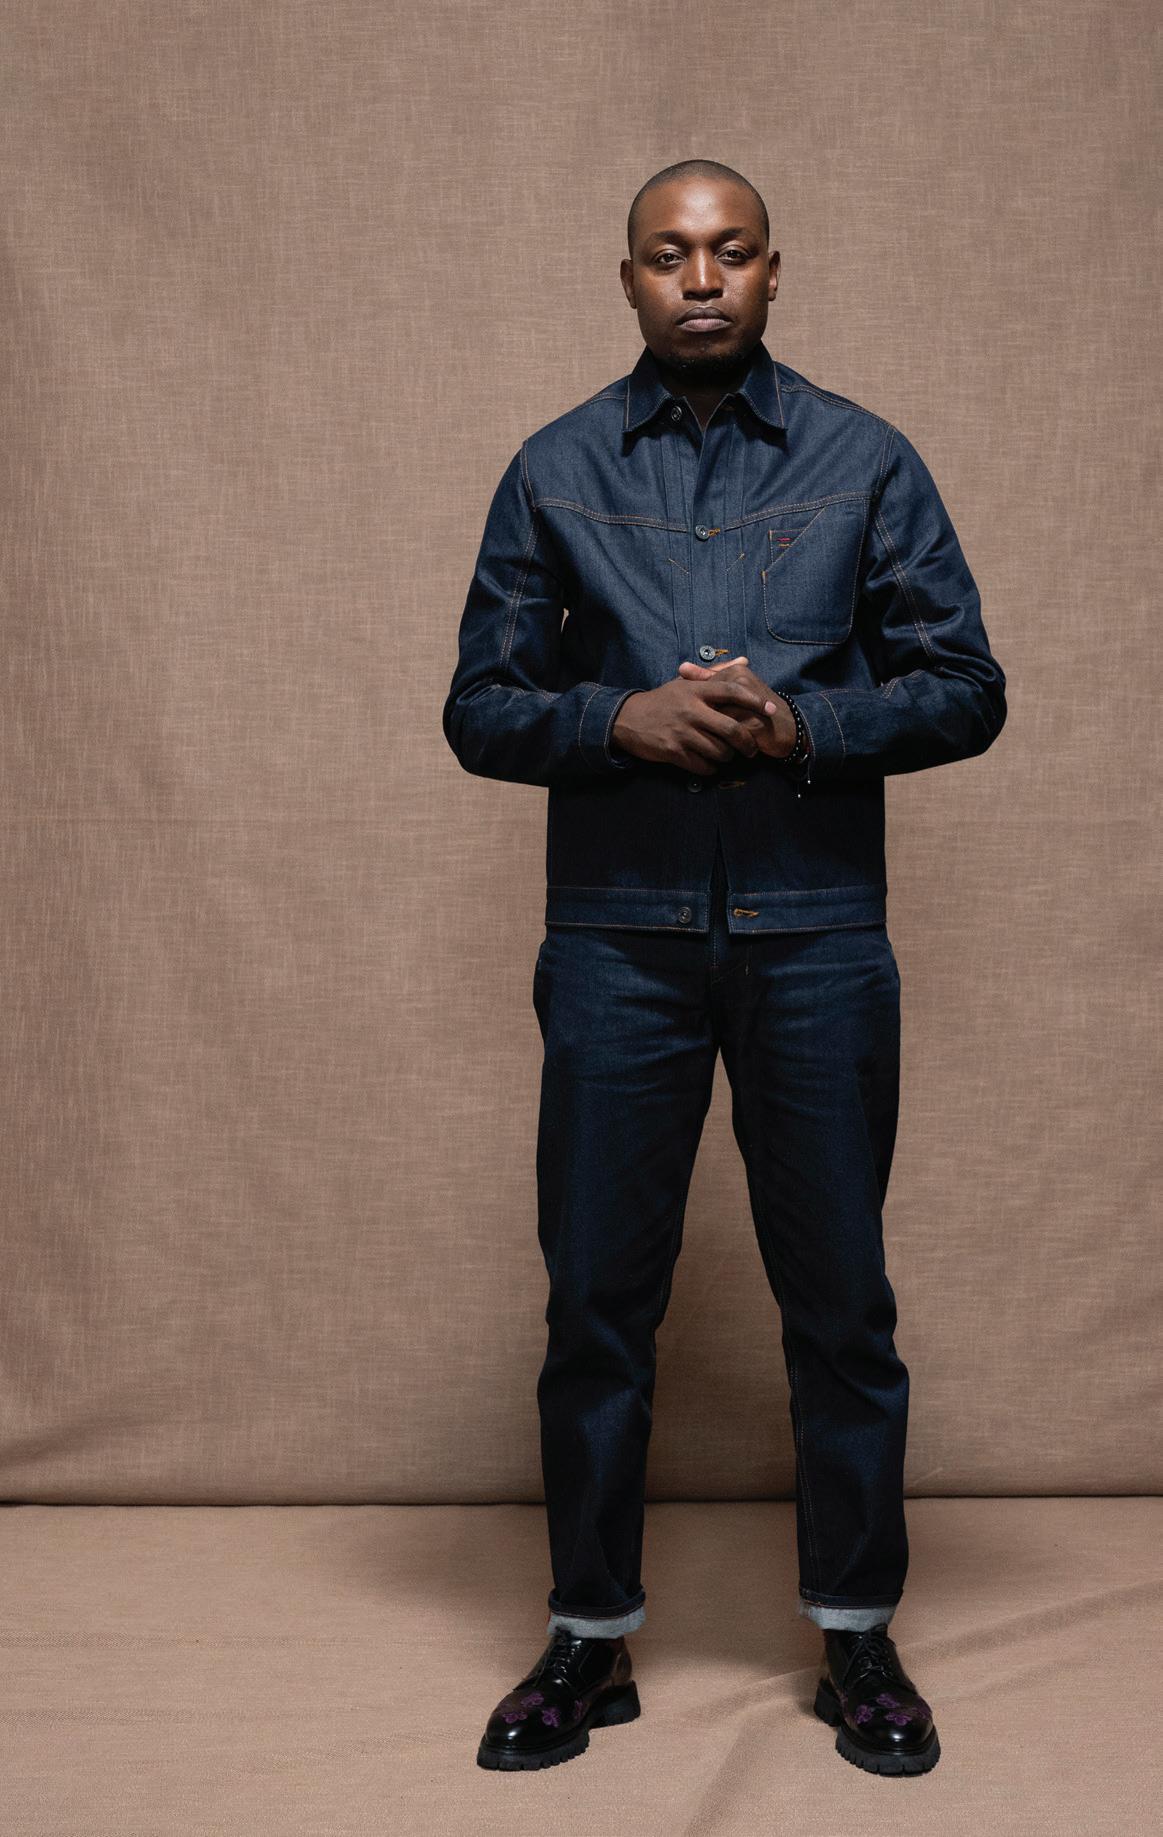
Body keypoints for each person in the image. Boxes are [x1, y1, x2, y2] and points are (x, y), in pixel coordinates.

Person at [443, 159, 1006, 1778]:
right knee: (597, 1302)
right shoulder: (554, 467)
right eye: (669, 254)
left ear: (773, 271)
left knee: (840, 1306)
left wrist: (803, 722)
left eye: (730, 251)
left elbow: (967, 684)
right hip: (614, 943)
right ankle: (588, 1637)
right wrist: (617, 718)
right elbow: (480, 705)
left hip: (816, 940)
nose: (702, 279)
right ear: (627, 277)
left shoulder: (866, 460)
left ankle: (856, 1635)